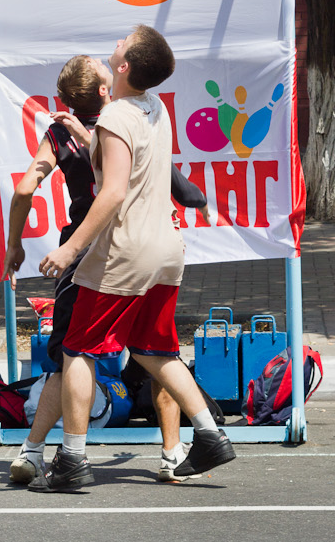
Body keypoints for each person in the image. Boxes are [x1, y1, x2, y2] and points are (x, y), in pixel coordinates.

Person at [31, 25, 236, 491]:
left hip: (126, 254)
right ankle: (209, 435)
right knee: (153, 348)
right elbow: (133, 163)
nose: (116, 42)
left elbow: (114, 192)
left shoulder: (116, 117)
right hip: (165, 251)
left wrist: (69, 248)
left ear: (122, 67)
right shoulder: (153, 108)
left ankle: (72, 460)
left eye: (122, 42)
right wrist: (88, 139)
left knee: (78, 349)